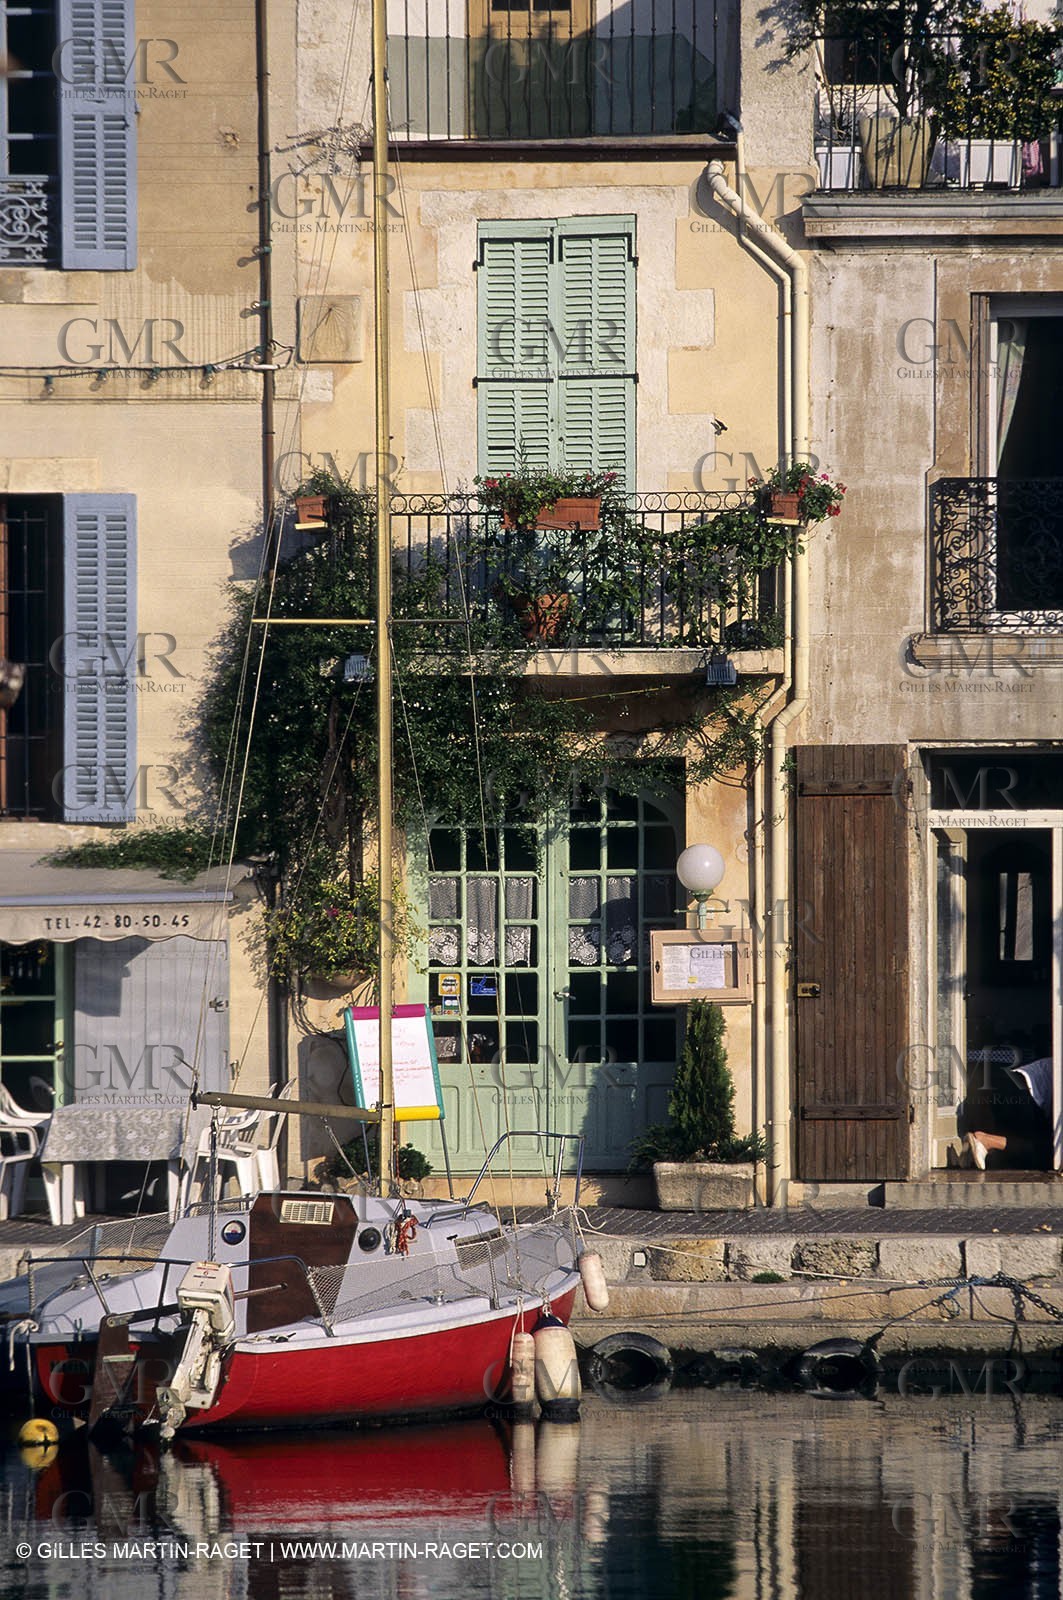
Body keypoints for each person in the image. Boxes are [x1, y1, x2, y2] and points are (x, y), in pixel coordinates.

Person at [960, 1058, 1053, 1171]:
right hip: (1021, 1095)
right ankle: (985, 1141)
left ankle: (977, 1148)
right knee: (1047, 1151)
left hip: (1010, 1087)